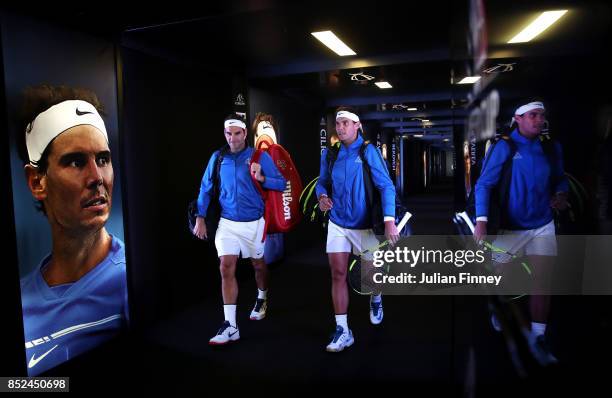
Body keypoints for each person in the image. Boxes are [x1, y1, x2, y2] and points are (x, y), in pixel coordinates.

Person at [17, 85, 128, 376]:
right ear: (37, 181)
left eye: (103, 159)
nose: (97, 178)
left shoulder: (132, 281)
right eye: (76, 162)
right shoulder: (23, 298)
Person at [474, 101, 568, 363]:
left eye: (542, 115)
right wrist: (481, 220)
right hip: (509, 227)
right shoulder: (505, 146)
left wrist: (561, 194)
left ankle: (539, 336)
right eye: (533, 115)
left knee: (542, 281)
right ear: (518, 118)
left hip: (542, 224)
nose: (539, 120)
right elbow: (484, 184)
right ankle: (501, 309)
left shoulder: (551, 147)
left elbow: (560, 178)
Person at [193, 113, 286, 345]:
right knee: (226, 267)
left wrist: (262, 176)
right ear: (224, 133)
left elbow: (281, 183)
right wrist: (200, 216)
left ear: (245, 134)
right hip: (227, 223)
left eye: (237, 133)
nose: (232, 138)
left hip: (254, 223)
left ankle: (262, 297)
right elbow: (206, 188)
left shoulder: (259, 156)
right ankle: (231, 325)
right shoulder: (217, 157)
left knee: (258, 265)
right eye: (228, 133)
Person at [315, 107, 399, 352]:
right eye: (337, 124)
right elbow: (322, 182)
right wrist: (321, 196)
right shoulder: (330, 154)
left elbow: (386, 187)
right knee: (338, 273)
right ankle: (343, 330)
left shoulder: (368, 151)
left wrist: (389, 220)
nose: (339, 128)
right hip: (337, 222)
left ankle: (376, 298)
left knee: (371, 276)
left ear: (357, 125)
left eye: (344, 123)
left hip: (364, 226)